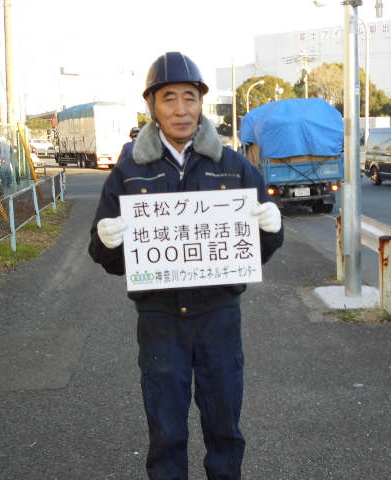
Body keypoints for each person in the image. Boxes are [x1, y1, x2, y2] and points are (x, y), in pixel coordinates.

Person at [88, 52, 284, 480]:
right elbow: (105, 258)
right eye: (169, 98)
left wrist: (270, 228)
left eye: (190, 98)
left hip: (219, 316)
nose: (181, 109)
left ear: (201, 103)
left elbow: (259, 247)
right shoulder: (128, 173)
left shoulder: (234, 167)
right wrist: (107, 242)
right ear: (153, 107)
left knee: (224, 427)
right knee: (166, 431)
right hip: (159, 319)